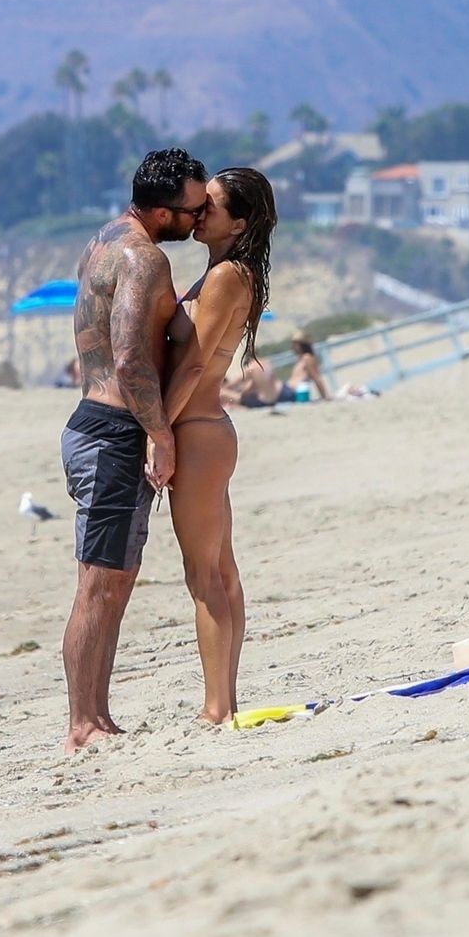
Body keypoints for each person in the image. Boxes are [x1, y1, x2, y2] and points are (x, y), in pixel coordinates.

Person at [59, 148, 208, 752]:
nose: (198, 220)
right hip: (115, 432)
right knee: (101, 586)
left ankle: (96, 715)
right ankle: (83, 723)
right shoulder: (143, 257)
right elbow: (127, 356)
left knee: (109, 583)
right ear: (163, 212)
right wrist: (160, 433)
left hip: (96, 425)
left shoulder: (106, 239)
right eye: (192, 211)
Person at [162, 167, 276, 725]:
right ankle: (225, 702)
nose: (197, 212)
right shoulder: (226, 271)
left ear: (239, 223)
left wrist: (156, 430)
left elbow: (193, 365)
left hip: (197, 431)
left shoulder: (228, 275)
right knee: (220, 571)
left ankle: (216, 708)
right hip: (207, 429)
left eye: (210, 206)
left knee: (204, 575)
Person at [286, 335, 331, 401]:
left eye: (295, 345)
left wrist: (325, 396)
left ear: (302, 345)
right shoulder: (300, 360)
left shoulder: (307, 358)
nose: (292, 347)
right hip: (294, 391)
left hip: (297, 392)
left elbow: (316, 378)